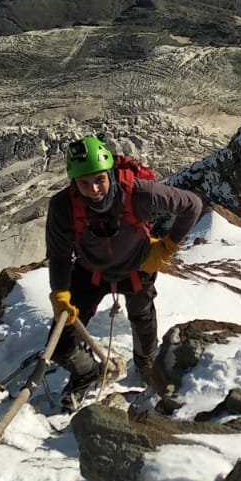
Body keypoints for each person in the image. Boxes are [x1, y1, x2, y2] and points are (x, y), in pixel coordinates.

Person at [46, 135, 204, 404]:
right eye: (84, 183)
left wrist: (168, 247)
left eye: (100, 179)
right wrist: (60, 293)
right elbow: (59, 255)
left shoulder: (139, 193)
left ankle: (145, 364)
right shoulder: (63, 207)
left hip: (137, 267)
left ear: (110, 174)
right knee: (60, 344)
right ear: (74, 183)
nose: (94, 189)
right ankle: (88, 373)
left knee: (142, 318)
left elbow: (192, 205)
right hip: (89, 272)